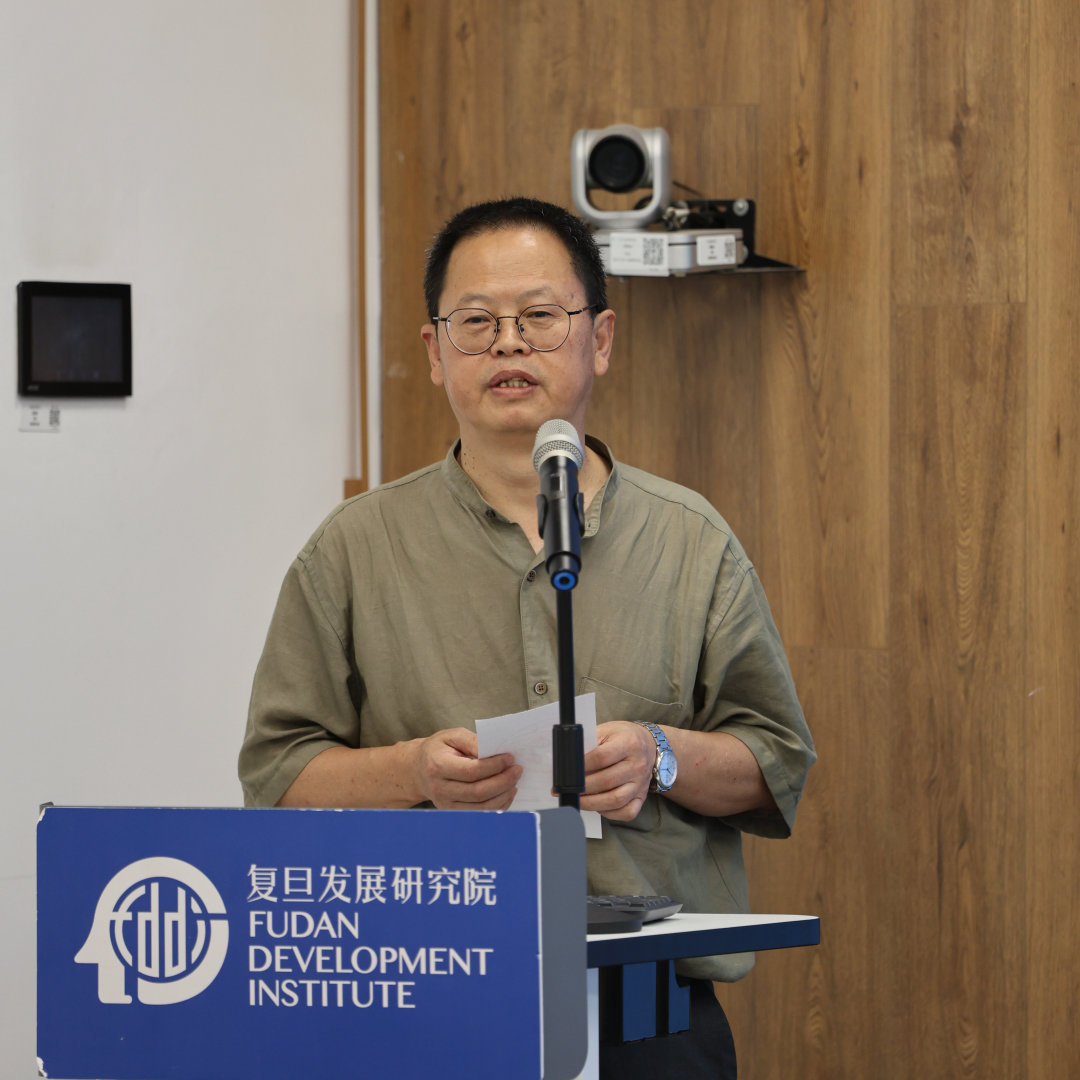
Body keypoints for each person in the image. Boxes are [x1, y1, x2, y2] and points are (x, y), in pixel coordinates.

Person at [238, 196, 815, 1079]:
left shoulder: (690, 540)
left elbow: (776, 762)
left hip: (647, 1017)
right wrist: (414, 772)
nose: (509, 345)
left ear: (600, 339)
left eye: (541, 317)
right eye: (476, 322)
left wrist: (660, 756)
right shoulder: (352, 550)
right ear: (435, 353)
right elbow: (276, 779)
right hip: (424, 996)